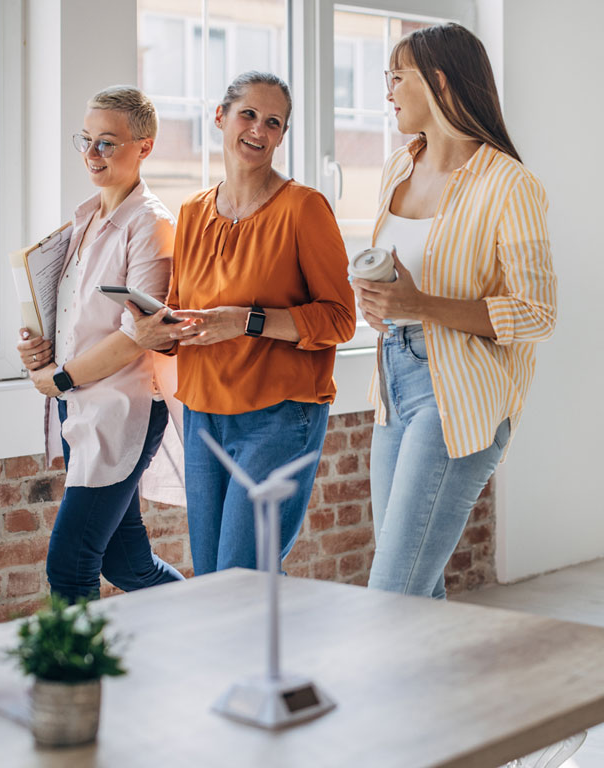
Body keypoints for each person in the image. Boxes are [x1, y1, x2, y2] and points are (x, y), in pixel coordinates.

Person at [352, 24, 573, 768]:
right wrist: (380, 303)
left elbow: (536, 313)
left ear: (442, 84)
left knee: (390, 597)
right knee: (421, 591)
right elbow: (399, 283)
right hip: (395, 386)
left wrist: (419, 306)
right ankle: (504, 737)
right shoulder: (396, 168)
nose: (387, 92)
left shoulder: (510, 183)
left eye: (397, 77)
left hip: (462, 397)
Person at [131, 72, 355, 575]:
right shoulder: (192, 213)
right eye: (248, 114)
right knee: (213, 581)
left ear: (281, 136)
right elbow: (186, 311)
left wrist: (248, 321)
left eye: (273, 122)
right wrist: (159, 329)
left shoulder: (304, 208)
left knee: (240, 577)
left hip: (278, 417)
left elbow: (340, 320)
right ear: (221, 118)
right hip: (203, 416)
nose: (258, 129)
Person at [17, 85, 184, 602]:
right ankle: (198, 627)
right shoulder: (85, 217)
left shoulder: (150, 223)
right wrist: (38, 350)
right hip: (76, 408)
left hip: (121, 409)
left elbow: (139, 335)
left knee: (70, 568)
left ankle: (79, 684)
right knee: (127, 561)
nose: (91, 155)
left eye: (107, 143)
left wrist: (62, 376)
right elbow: (73, 316)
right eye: (86, 140)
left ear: (144, 146)